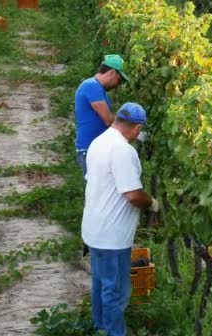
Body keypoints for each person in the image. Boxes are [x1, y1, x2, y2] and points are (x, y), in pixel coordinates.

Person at [81, 102, 160, 336]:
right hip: (111, 237)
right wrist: (153, 204)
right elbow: (133, 193)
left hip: (94, 229)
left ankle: (101, 330)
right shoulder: (123, 151)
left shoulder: (99, 142)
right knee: (115, 291)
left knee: (101, 285)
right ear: (136, 128)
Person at [75, 54, 129, 256]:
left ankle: (96, 241)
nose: (118, 84)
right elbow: (107, 120)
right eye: (119, 80)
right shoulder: (91, 86)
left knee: (100, 194)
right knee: (97, 195)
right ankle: (92, 244)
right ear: (112, 73)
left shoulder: (95, 88)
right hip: (89, 150)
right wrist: (130, 125)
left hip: (96, 150)